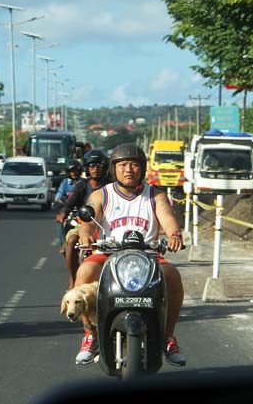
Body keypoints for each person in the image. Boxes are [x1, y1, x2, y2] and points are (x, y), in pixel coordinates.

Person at [74, 143, 186, 367]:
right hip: (107, 255)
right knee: (85, 271)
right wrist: (85, 235)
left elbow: (168, 219)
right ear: (113, 169)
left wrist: (174, 234)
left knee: (172, 275)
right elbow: (87, 221)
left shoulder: (156, 196)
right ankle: (90, 335)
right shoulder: (101, 195)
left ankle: (168, 337)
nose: (128, 170)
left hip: (147, 257)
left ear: (142, 169)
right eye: (122, 165)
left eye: (134, 165)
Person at [55, 150, 111, 291]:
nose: (95, 169)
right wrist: (63, 212)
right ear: (86, 168)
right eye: (91, 166)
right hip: (84, 223)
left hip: (107, 224)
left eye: (98, 166)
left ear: (104, 168)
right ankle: (73, 280)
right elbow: (69, 204)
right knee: (72, 240)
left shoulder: (111, 186)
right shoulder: (81, 185)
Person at [54, 159, 85, 255]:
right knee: (60, 220)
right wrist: (61, 202)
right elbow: (58, 197)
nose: (73, 173)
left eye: (75, 170)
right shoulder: (64, 183)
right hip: (69, 211)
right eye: (71, 171)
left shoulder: (84, 183)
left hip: (83, 211)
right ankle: (63, 243)